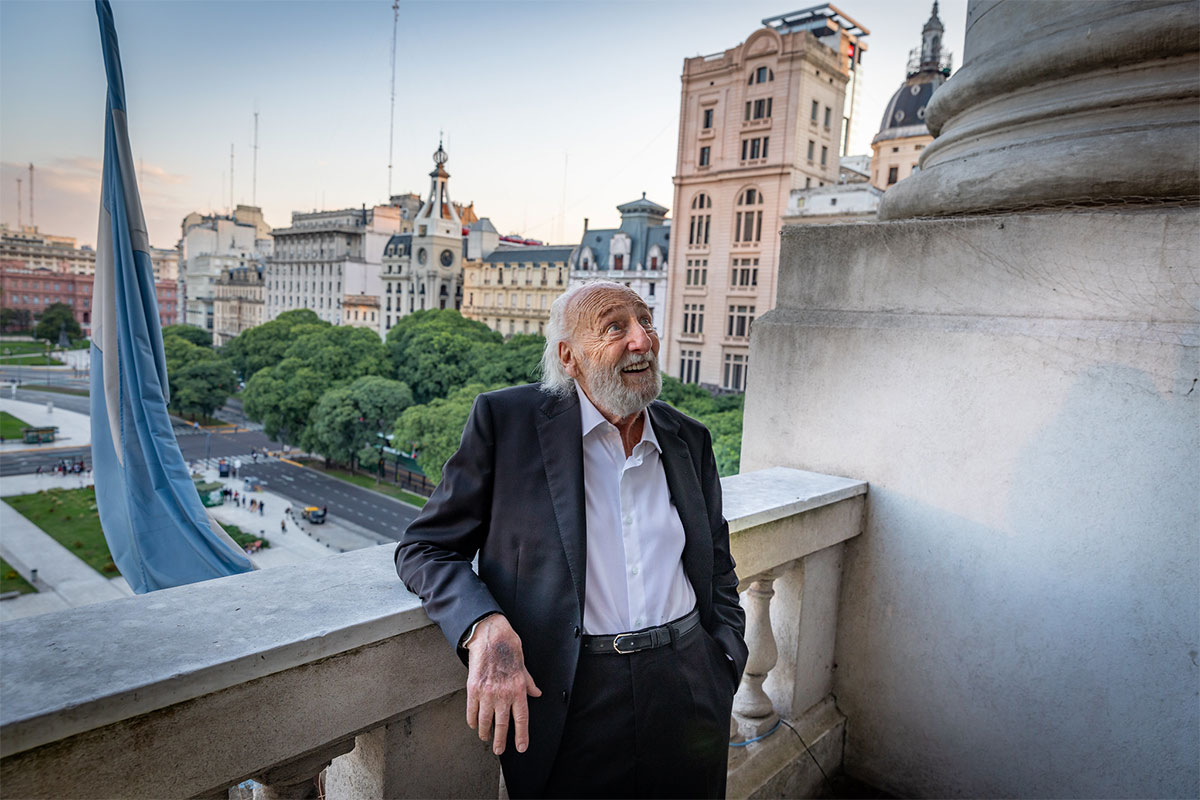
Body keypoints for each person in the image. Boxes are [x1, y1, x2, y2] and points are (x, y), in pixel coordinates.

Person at [396, 282, 747, 799]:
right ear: (569, 357)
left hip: (691, 686)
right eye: (615, 327)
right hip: (572, 697)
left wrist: (724, 662)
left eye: (646, 322)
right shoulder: (506, 424)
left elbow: (717, 565)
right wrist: (482, 624)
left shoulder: (689, 438)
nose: (642, 341)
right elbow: (425, 548)